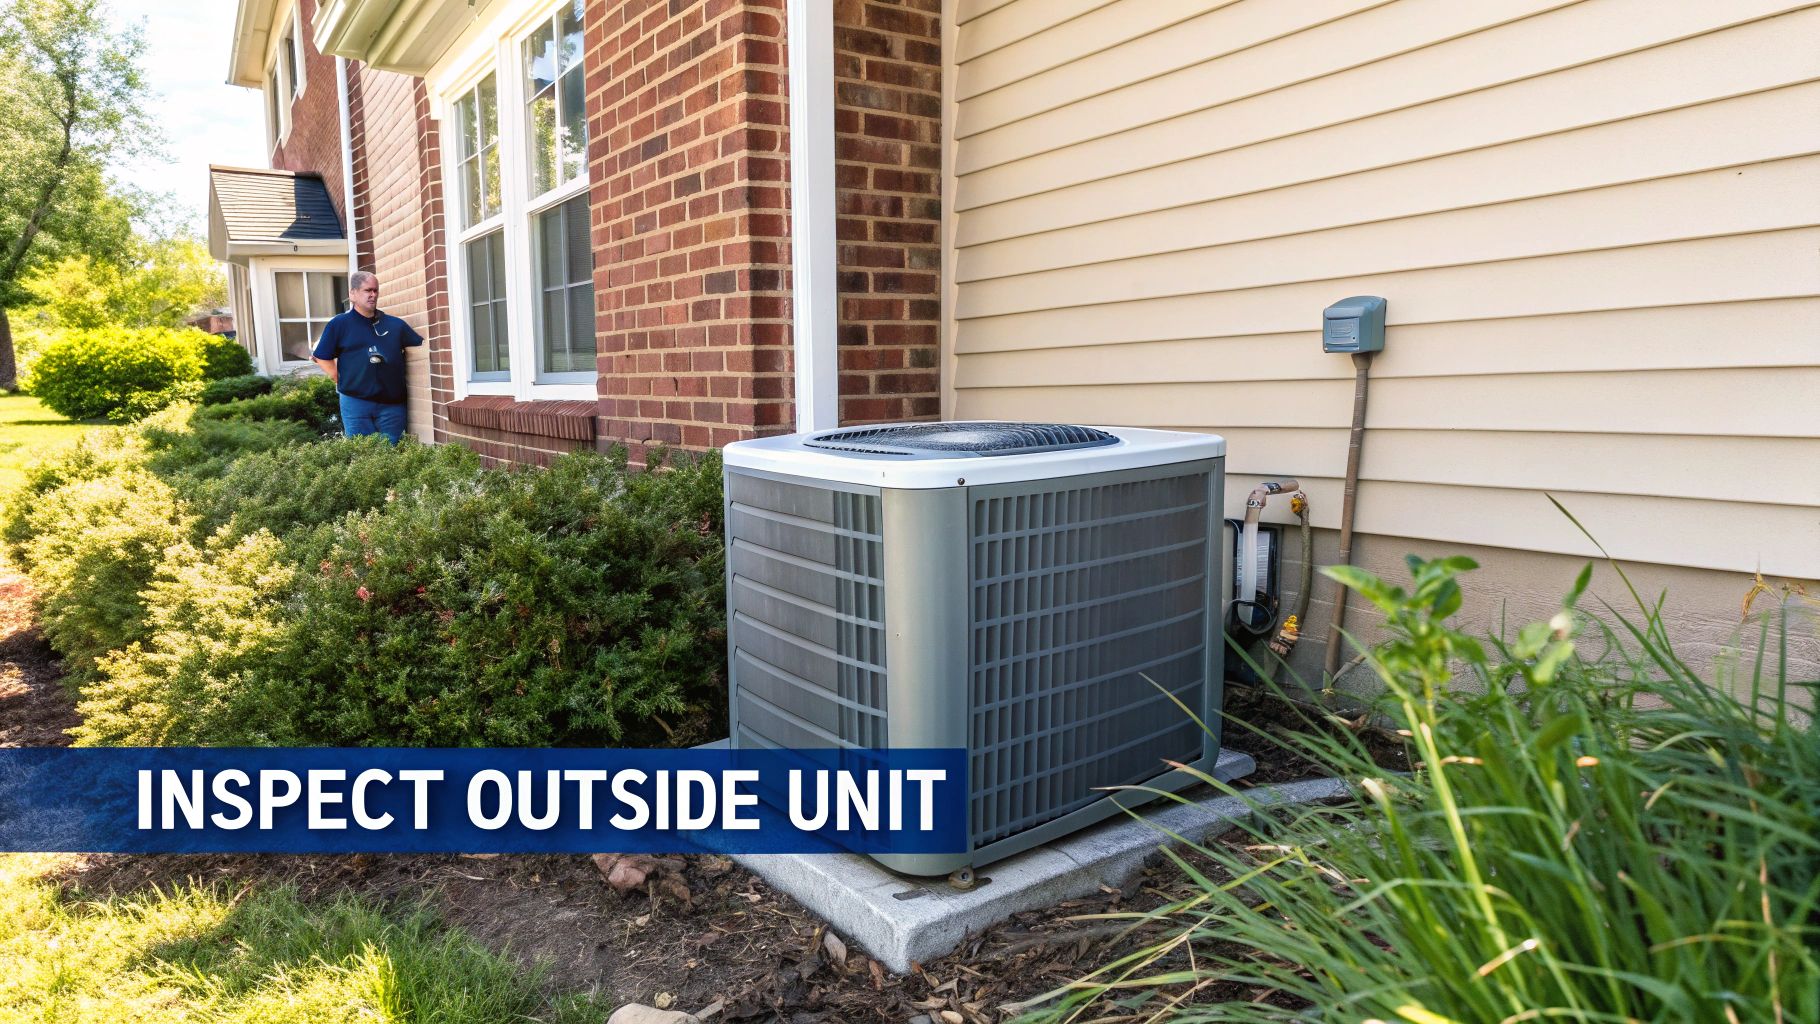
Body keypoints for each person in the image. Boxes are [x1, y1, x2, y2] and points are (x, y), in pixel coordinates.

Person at [311, 271, 424, 443]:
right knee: (363, 453)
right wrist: (337, 377)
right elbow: (321, 355)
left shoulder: (395, 325)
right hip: (355, 402)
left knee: (390, 454)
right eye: (367, 290)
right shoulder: (340, 324)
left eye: (375, 291)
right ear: (352, 294)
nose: (372, 295)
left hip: (392, 404)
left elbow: (421, 349)